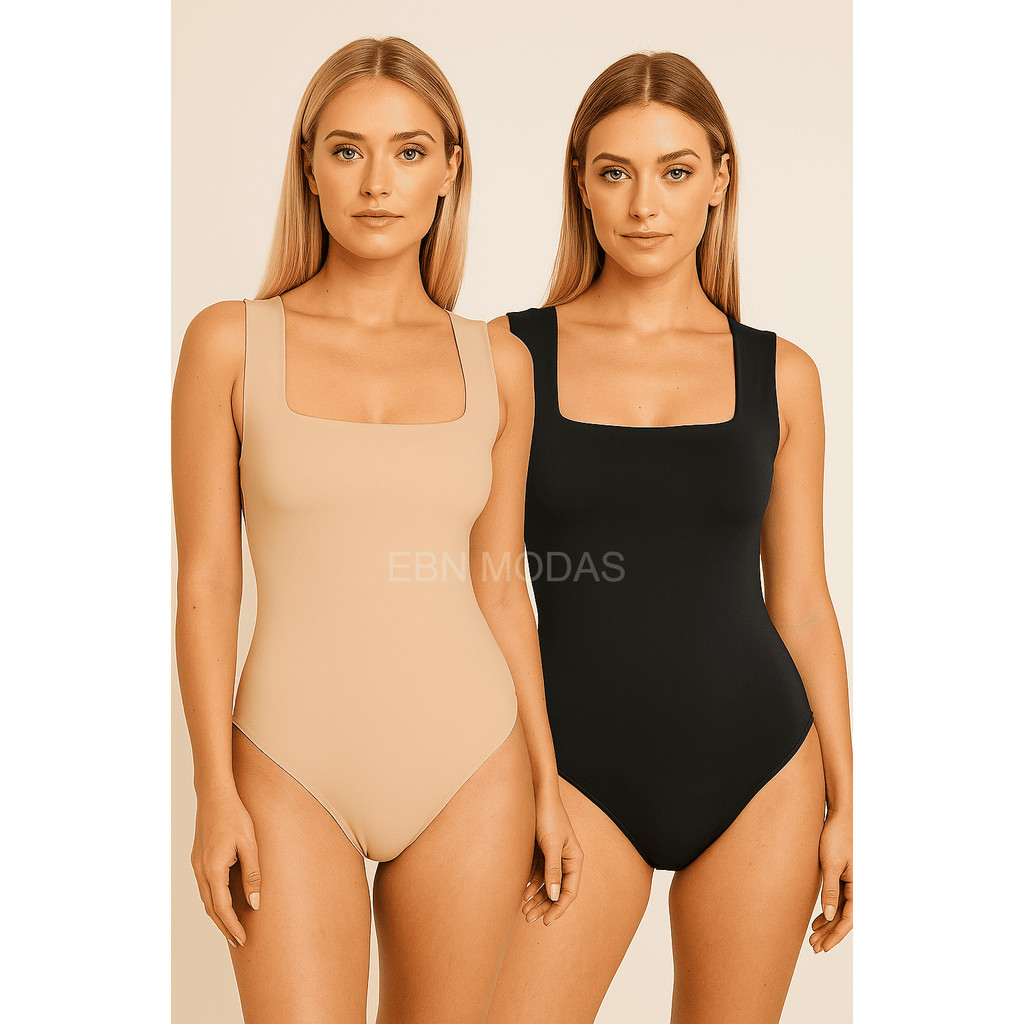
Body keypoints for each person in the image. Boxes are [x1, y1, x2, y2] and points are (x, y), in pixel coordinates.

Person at [171, 36, 581, 1024]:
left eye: (408, 151)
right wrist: (213, 791)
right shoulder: (229, 342)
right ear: (309, 167)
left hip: (474, 761)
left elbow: (501, 586)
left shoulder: (500, 363)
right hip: (286, 760)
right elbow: (206, 583)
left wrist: (547, 780)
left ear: (449, 170)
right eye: (347, 150)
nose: (376, 183)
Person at [486, 51, 852, 1024]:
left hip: (762, 766)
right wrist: (529, 779)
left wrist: (849, 798)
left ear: (720, 180)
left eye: (675, 171)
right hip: (568, 769)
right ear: (581, 184)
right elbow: (490, 585)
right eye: (615, 172)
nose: (645, 204)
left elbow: (803, 601)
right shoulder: (507, 353)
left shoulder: (783, 375)